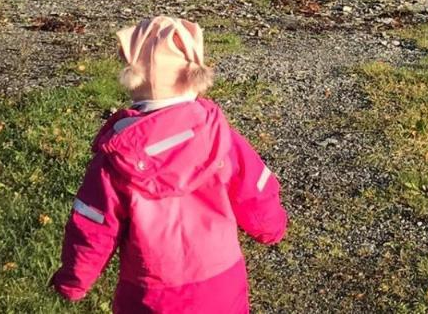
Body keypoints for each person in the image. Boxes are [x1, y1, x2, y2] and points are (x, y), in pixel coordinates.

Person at [51, 16, 287, 313]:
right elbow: (255, 189)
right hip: (220, 281)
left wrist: (74, 280)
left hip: (150, 293)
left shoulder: (116, 157)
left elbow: (93, 226)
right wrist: (271, 228)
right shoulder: (219, 136)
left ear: (133, 76)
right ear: (194, 75)